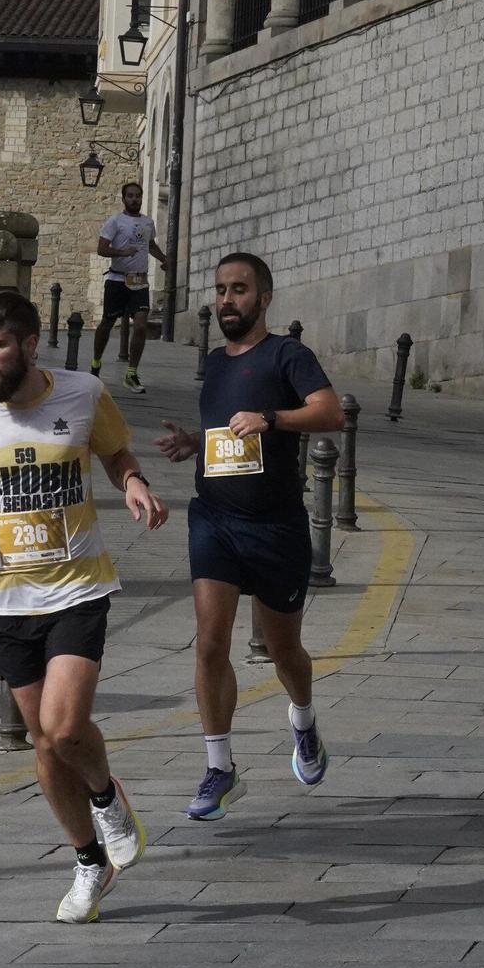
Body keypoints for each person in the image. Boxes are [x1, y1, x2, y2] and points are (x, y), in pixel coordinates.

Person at [0, 289, 169, 922]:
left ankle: (108, 797)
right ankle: (89, 861)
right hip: (3, 596)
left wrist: (135, 481)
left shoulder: (83, 394)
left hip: (77, 587)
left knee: (63, 728)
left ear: (30, 345)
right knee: (42, 742)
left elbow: (115, 454)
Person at [154, 252, 342, 820]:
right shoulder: (213, 362)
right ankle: (220, 768)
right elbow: (227, 434)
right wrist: (196, 441)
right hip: (215, 519)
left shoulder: (289, 355)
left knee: (284, 650)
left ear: (264, 298)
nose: (227, 300)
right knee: (210, 643)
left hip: (277, 526)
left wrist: (273, 418)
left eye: (239, 290)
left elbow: (330, 412)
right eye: (220, 290)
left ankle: (303, 721)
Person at [92, 181, 168, 396]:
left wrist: (164, 259)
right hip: (117, 280)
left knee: (141, 324)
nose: (134, 199)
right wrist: (121, 253)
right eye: (130, 196)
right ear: (124, 198)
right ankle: (96, 363)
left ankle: (131, 373)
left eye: (138, 196)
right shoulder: (115, 221)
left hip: (139, 281)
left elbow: (150, 245)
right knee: (108, 322)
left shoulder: (147, 222)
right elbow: (101, 249)